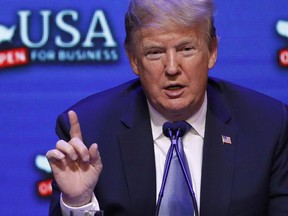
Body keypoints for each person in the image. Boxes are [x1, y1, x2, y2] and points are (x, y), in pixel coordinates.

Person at [46, 0, 288, 215]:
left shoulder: (268, 127)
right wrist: (79, 202)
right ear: (133, 60)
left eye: (186, 49)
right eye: (155, 52)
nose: (172, 67)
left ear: (212, 51)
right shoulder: (90, 131)